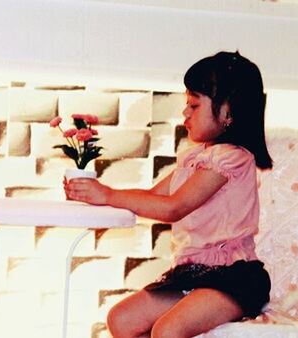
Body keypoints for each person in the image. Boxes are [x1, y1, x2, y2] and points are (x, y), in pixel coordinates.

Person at [64, 51, 272, 338]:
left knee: (167, 330)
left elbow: (174, 207)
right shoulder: (195, 158)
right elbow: (153, 198)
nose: (185, 113)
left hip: (234, 280)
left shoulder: (231, 158)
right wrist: (96, 195)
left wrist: (108, 194)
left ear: (227, 111)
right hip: (193, 274)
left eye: (193, 105)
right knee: (121, 319)